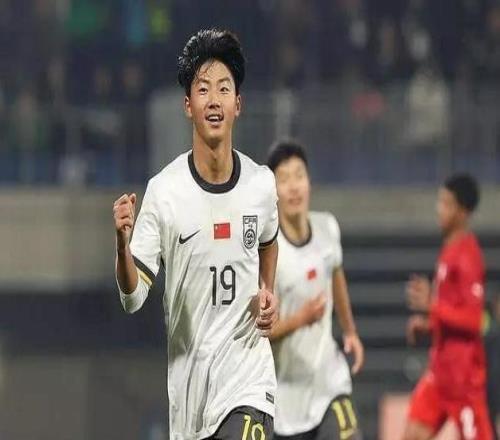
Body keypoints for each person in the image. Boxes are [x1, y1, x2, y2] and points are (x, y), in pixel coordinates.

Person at [113, 29, 279, 440]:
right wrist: (122, 245)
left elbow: (269, 239)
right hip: (190, 401)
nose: (214, 99)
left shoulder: (261, 184)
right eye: (203, 89)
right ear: (188, 105)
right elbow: (132, 298)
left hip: (248, 383)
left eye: (224, 88)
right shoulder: (165, 193)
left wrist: (267, 289)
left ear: (238, 104)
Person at [267, 140, 364, 440]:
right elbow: (263, 331)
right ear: (273, 191)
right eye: (284, 179)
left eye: (299, 175)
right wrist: (301, 319)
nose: (293, 187)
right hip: (287, 400)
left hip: (329, 382)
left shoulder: (327, 227)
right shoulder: (269, 253)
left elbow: (335, 274)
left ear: (309, 181)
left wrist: (350, 331)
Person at [403, 174, 494, 440]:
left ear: (462, 212)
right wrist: (429, 325)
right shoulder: (449, 250)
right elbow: (450, 311)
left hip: (464, 380)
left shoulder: (468, 256)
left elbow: (473, 320)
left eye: (446, 204)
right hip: (439, 374)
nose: (439, 209)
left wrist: (432, 306)